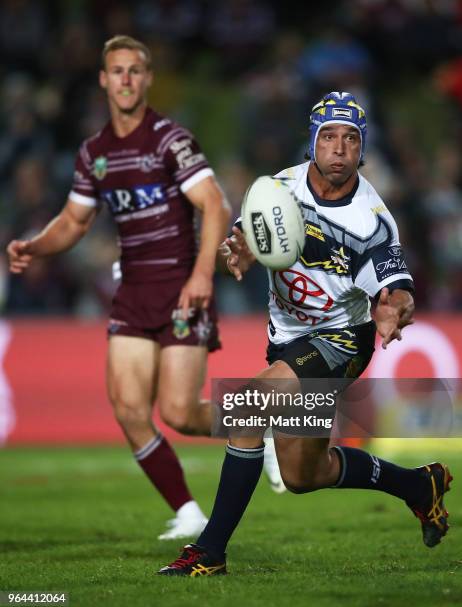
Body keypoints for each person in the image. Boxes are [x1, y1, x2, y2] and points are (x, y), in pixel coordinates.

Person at [158, 91, 453, 575]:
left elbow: (398, 289)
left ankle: (208, 553)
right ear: (312, 143)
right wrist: (240, 252)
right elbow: (244, 239)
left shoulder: (373, 223)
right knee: (304, 474)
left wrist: (394, 310)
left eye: (351, 139)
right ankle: (421, 486)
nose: (339, 148)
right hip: (288, 340)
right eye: (329, 137)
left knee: (248, 406)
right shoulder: (277, 190)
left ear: (363, 148)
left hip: (341, 343)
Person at [6, 35, 232, 540]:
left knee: (179, 411)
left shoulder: (170, 140)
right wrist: (34, 247)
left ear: (147, 79)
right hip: (132, 291)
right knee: (129, 409)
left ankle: (267, 422)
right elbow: (73, 221)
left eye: (135, 70)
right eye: (118, 71)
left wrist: (201, 273)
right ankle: (189, 512)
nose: (126, 79)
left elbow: (214, 204)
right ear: (104, 80)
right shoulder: (94, 153)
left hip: (180, 285)